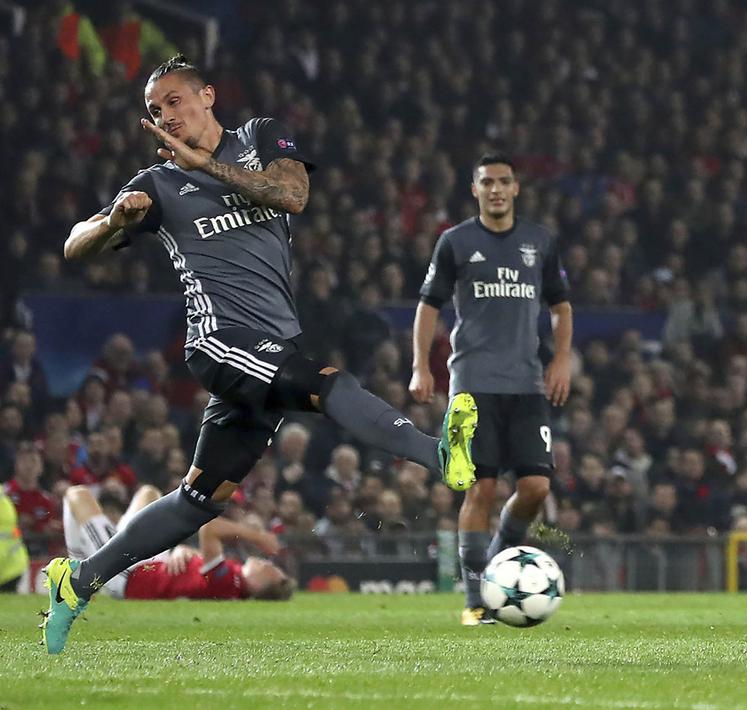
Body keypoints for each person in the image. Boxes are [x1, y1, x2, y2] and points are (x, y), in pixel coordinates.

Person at [43, 55, 478, 654]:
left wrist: (206, 166)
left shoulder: (259, 138)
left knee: (199, 501)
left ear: (208, 96)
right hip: (221, 342)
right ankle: (442, 454)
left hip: (271, 343)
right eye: (154, 111)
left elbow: (293, 195)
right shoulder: (156, 185)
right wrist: (112, 223)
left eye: (174, 101)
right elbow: (73, 245)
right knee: (328, 385)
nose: (165, 116)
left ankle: (78, 582)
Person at [410, 153, 572, 626]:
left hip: (526, 384)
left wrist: (561, 358)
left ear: (516, 188)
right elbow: (428, 307)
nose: (496, 189)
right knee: (479, 488)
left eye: (504, 181)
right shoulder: (455, 242)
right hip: (472, 387)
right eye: (487, 182)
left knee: (536, 487)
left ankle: (498, 561)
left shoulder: (540, 242)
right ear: (475, 189)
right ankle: (475, 602)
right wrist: (421, 366)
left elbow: (561, 306)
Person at [58, 484, 291, 601]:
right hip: (154, 560)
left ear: (261, 586)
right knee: (149, 493)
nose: (265, 563)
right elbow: (195, 573)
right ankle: (84, 566)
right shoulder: (230, 579)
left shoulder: (231, 583)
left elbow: (209, 528)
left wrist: (258, 536)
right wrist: (183, 550)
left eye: (271, 571)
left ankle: (83, 569)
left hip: (128, 571)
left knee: (77, 495)